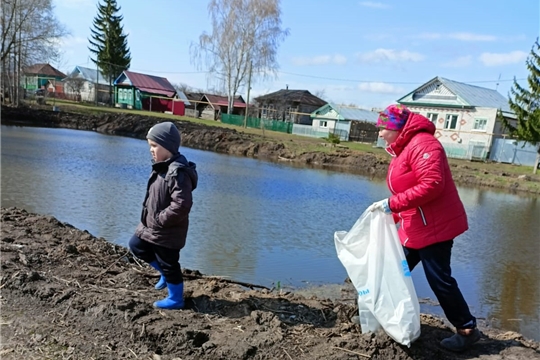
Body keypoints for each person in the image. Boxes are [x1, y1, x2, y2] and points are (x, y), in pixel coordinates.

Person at [367, 104, 480, 352]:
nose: (380, 133)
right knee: (392, 270)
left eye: (383, 128)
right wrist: (393, 214)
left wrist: (391, 203)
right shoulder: (406, 147)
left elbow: (432, 185)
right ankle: (383, 317)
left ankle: (467, 329)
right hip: (416, 225)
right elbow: (407, 189)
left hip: (435, 226)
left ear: (396, 128)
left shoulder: (424, 144)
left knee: (439, 279)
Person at [129, 121, 198, 310]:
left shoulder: (177, 173)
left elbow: (182, 205)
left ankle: (176, 299)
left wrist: (160, 219)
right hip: (150, 226)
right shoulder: (162, 167)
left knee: (170, 264)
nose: (151, 150)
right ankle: (165, 276)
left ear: (167, 146)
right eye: (150, 146)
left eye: (154, 146)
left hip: (167, 230)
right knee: (136, 245)